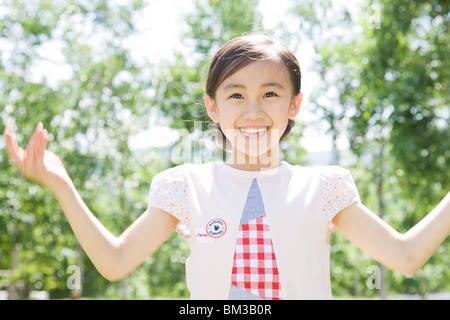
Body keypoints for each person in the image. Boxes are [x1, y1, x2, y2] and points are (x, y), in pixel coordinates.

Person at [4, 33, 450, 300]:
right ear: (212, 107)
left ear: (295, 104)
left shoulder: (325, 185)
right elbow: (116, 262)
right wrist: (62, 187)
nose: (253, 110)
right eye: (236, 95)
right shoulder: (183, 185)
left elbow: (406, 256)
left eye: (270, 94)